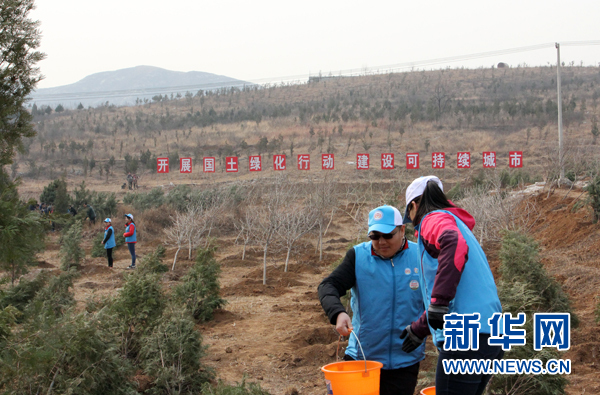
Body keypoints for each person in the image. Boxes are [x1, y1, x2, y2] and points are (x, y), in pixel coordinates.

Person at [400, 176, 504, 395]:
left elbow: (453, 243)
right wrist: (420, 328)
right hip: (490, 335)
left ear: (414, 206)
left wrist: (438, 302)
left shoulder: (432, 219)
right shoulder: (457, 223)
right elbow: (456, 293)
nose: (413, 223)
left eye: (410, 216)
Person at [318, 205, 426, 395]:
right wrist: (338, 313)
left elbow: (439, 298)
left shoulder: (421, 256)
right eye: (374, 236)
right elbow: (328, 286)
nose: (381, 242)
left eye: (387, 235)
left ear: (402, 230)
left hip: (405, 361)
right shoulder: (358, 256)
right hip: (363, 360)